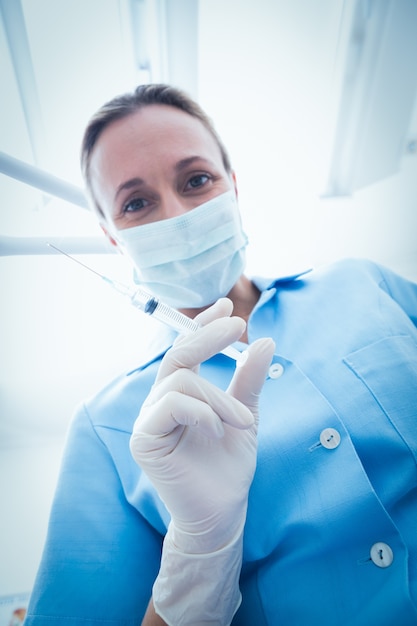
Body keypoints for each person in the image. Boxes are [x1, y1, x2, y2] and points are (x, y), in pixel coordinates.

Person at [25, 84, 417, 626]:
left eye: (196, 180)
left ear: (233, 187)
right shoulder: (109, 425)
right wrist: (199, 552)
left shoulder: (361, 283)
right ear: (113, 237)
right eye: (136, 202)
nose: (177, 215)